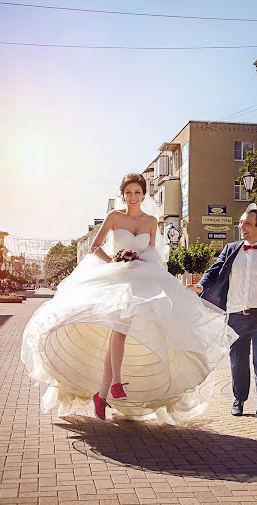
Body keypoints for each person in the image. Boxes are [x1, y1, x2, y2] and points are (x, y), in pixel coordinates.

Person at [21, 173, 237, 423]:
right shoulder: (114, 217)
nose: (132, 197)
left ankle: (104, 394)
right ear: (122, 194)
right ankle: (112, 386)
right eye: (128, 192)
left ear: (144, 194)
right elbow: (95, 247)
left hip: (141, 281)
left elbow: (153, 253)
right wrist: (115, 259)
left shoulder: (151, 221)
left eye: (137, 192)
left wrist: (140, 259)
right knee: (119, 329)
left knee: (120, 330)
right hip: (116, 279)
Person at [188, 207, 257, 431]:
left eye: (248, 224)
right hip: (237, 316)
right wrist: (201, 285)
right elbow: (215, 270)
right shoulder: (231, 249)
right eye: (241, 223)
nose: (242, 227)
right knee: (238, 362)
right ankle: (239, 399)